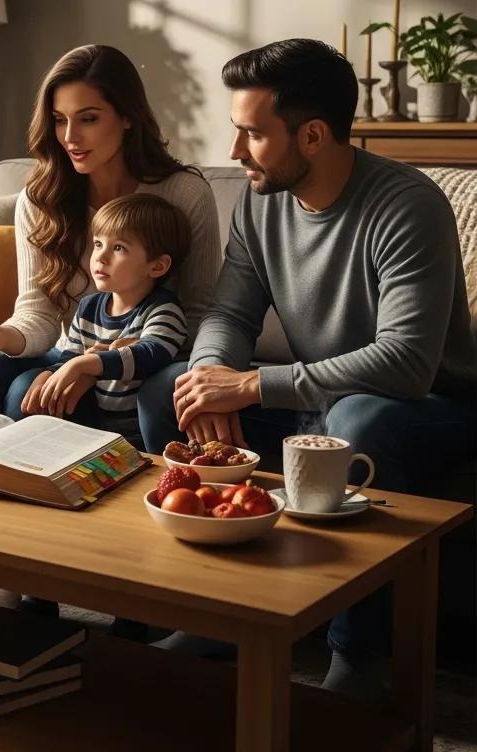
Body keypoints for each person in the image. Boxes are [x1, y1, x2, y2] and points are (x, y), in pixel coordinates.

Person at [138, 38, 477, 698]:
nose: (235, 154)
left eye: (252, 135)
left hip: (428, 408)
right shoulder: (263, 204)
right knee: (166, 389)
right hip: (318, 403)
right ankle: (216, 615)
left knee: (354, 419)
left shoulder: (407, 206)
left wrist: (251, 383)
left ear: (314, 134)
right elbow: (231, 316)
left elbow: (406, 363)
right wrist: (210, 377)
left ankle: (358, 651)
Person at [0, 43, 221, 433]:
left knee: (25, 394)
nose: (70, 136)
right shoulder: (41, 198)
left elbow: (201, 315)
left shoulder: (184, 193)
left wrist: (98, 363)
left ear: (128, 117)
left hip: (154, 356)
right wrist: (1, 335)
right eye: (59, 120)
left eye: (88, 118)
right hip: (72, 349)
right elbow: (39, 314)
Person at [26, 193, 191, 441]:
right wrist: (51, 372)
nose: (100, 257)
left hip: (142, 431)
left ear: (156, 266)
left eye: (118, 248)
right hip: (99, 425)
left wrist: (84, 364)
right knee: (32, 391)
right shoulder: (88, 307)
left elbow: (150, 354)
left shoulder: (164, 310)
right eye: (98, 244)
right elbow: (69, 357)